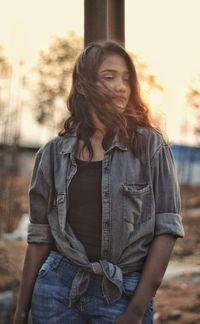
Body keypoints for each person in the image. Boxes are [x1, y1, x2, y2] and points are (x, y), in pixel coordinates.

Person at [14, 40, 184, 324]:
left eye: (126, 79)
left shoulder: (150, 147)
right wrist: (20, 310)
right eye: (109, 77)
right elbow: (40, 237)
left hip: (122, 291)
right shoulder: (53, 154)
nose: (121, 86)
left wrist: (136, 310)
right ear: (81, 85)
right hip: (58, 286)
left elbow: (166, 230)